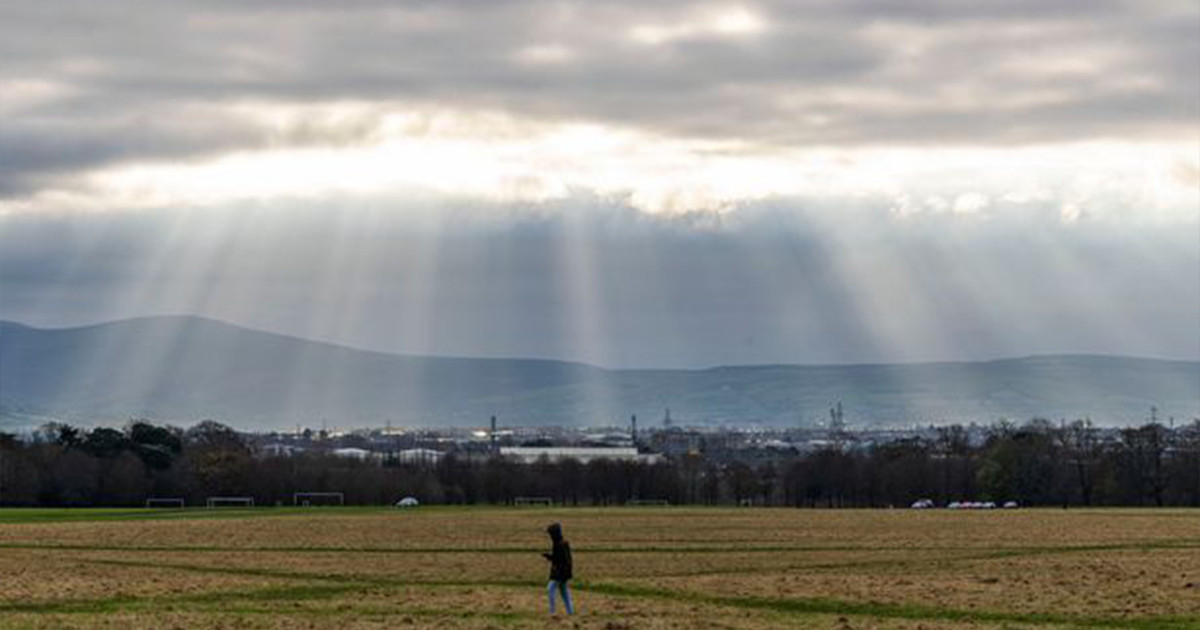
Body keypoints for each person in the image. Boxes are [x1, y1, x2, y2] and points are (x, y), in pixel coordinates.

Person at [542, 522, 574, 615]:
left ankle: (552, 612)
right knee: (564, 592)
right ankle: (570, 612)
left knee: (550, 589)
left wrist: (549, 557)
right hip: (564, 572)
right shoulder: (563, 543)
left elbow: (559, 559)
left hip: (559, 573)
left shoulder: (559, 544)